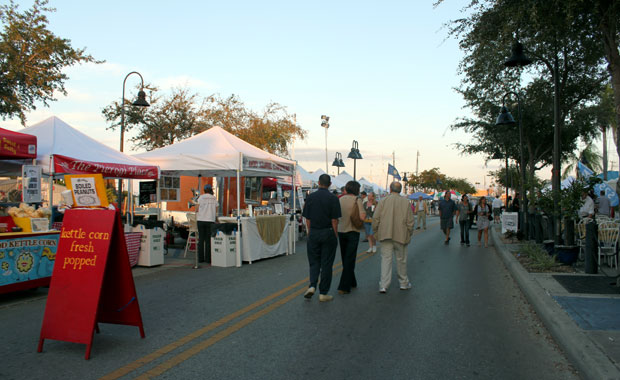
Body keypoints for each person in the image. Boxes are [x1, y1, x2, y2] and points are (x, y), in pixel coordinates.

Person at [301, 174, 342, 302]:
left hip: (314, 232)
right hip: (328, 232)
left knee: (314, 262)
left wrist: (309, 233)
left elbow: (307, 219)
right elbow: (334, 220)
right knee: (326, 263)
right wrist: (335, 235)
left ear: (318, 183)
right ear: (329, 184)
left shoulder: (311, 197)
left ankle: (312, 285)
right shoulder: (333, 198)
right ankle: (323, 292)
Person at [372, 182, 414, 293]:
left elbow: (375, 218)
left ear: (390, 189)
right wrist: (410, 232)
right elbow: (410, 221)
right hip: (401, 235)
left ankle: (383, 285)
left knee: (386, 260)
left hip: (385, 234)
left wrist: (376, 231)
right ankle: (403, 283)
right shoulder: (406, 202)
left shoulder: (383, 201)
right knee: (401, 260)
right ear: (400, 190)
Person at [337, 181, 366, 294]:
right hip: (352, 231)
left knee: (345, 257)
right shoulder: (357, 200)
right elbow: (362, 216)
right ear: (356, 190)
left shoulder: (340, 199)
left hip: (341, 230)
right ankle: (344, 286)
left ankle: (352, 281)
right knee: (350, 258)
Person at [196, 184, 218, 263]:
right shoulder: (214, 198)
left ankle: (200, 258)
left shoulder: (201, 197)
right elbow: (216, 209)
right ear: (211, 190)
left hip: (201, 220)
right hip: (210, 220)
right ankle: (208, 259)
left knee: (201, 239)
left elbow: (196, 209)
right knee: (208, 240)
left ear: (204, 190)